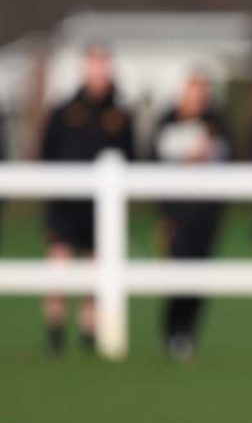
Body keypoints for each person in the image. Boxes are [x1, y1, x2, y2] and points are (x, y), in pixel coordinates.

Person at [39, 46, 134, 354]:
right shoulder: (64, 111)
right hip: (65, 208)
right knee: (59, 272)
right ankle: (55, 337)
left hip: (102, 211)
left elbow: (131, 158)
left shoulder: (120, 115)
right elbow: (46, 154)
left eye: (103, 65)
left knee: (96, 275)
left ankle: (89, 336)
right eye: (94, 65)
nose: (99, 72)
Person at [152, 72, 230, 361]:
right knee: (176, 274)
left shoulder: (216, 123)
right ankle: (171, 332)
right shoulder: (167, 121)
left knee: (199, 277)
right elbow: (154, 161)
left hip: (205, 215)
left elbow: (229, 158)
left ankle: (188, 334)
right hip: (176, 214)